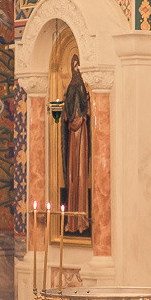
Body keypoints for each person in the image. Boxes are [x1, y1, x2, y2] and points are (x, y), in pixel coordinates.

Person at [61, 55, 91, 234]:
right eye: (74, 65)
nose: (76, 68)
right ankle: (74, 220)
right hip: (74, 133)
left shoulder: (79, 86)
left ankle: (80, 220)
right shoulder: (75, 86)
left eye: (78, 65)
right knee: (73, 171)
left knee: (79, 170)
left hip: (80, 131)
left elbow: (81, 106)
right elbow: (69, 107)